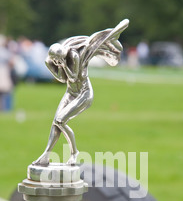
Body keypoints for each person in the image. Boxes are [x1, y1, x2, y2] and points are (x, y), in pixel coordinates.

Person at [34, 19, 129, 166]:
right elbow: (61, 79)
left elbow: (73, 76)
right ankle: (46, 155)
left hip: (84, 93)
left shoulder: (75, 56)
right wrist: (58, 66)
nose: (59, 61)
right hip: (70, 93)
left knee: (60, 120)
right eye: (56, 60)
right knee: (56, 123)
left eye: (61, 58)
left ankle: (74, 153)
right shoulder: (50, 61)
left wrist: (64, 64)